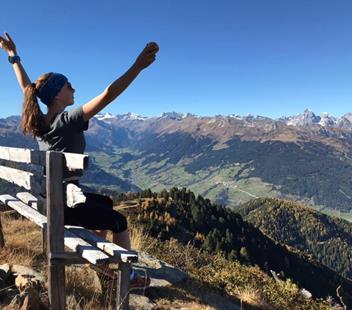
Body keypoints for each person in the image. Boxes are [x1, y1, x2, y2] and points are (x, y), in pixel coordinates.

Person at [0, 32, 159, 289]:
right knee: (118, 220)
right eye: (68, 86)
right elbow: (108, 94)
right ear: (56, 95)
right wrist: (138, 66)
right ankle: (127, 278)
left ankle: (103, 264)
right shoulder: (67, 120)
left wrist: (12, 56)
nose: (73, 88)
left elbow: (27, 89)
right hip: (64, 205)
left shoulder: (41, 123)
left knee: (106, 202)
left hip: (53, 200)